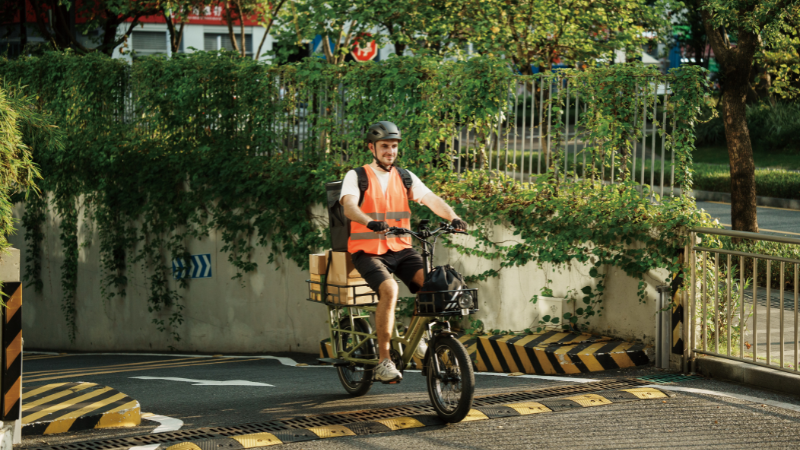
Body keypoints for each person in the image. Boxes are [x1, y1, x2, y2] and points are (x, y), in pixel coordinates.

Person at [339, 121, 468, 382]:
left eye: (394, 146)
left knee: (433, 286)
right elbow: (349, 206)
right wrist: (369, 222)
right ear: (371, 148)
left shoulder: (405, 176)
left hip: (401, 248)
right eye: (385, 146)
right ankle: (384, 360)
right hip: (368, 251)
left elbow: (430, 199)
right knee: (390, 290)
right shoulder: (357, 176)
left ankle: (417, 338)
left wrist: (453, 217)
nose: (390, 151)